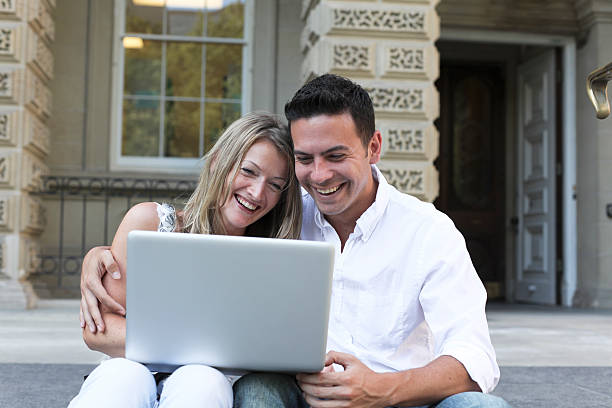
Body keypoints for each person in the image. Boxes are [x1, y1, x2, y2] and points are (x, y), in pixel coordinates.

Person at [80, 75, 511, 408]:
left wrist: (383, 388)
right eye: (305, 159)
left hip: (398, 396)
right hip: (303, 395)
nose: (319, 176)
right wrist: (99, 256)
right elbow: (208, 240)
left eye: (336, 156)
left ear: (374, 147)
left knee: (480, 405)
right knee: (256, 388)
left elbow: (475, 357)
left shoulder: (427, 231)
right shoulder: (281, 217)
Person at [69, 111, 302, 408]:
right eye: (248, 171)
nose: (257, 193)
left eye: (274, 185)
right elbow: (98, 332)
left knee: (202, 382)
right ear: (219, 163)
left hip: (212, 383)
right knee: (123, 378)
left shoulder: (275, 257)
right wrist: (202, 344)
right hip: (134, 366)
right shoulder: (150, 222)